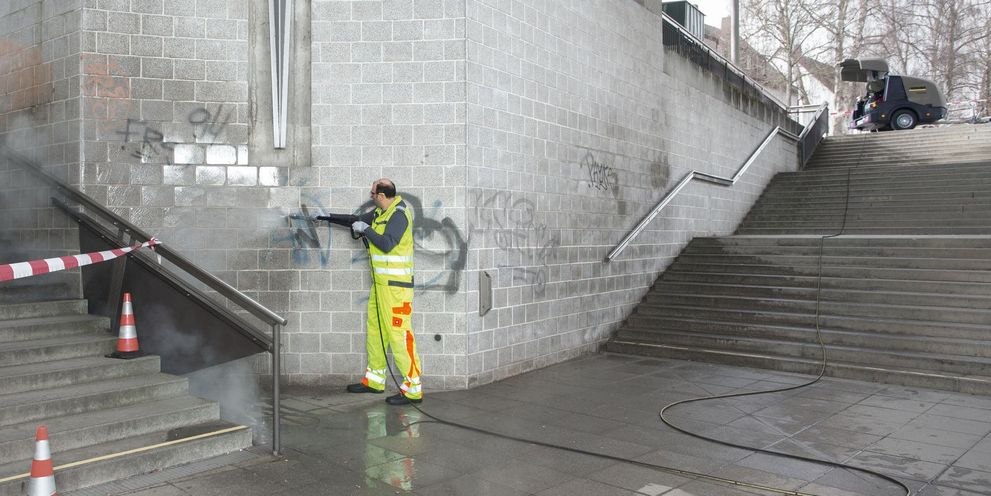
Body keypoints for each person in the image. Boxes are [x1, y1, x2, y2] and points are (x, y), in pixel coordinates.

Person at [344, 179, 423, 405]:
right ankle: (375, 380)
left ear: (380, 195)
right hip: (380, 286)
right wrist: (323, 217)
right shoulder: (380, 213)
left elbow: (387, 244)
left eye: (372, 193)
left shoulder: (398, 215)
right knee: (375, 332)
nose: (370, 196)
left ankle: (413, 389)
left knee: (399, 335)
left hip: (397, 289)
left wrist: (366, 230)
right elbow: (354, 220)